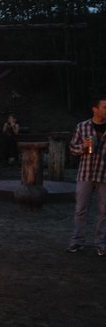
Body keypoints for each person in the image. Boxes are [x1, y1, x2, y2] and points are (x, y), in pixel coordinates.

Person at [66, 97, 106, 256]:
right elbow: (72, 149)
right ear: (95, 109)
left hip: (104, 174)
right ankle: (77, 241)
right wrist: (82, 147)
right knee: (80, 209)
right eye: (104, 107)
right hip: (85, 173)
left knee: (104, 211)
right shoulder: (82, 127)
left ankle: (101, 244)